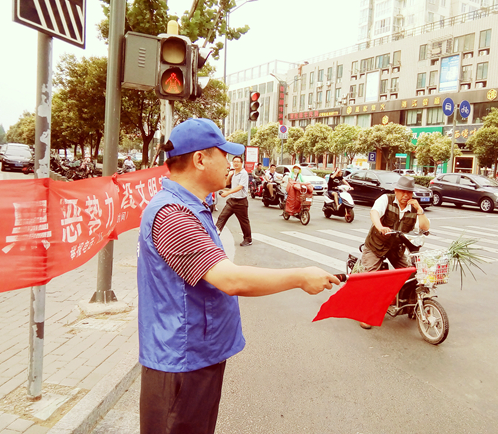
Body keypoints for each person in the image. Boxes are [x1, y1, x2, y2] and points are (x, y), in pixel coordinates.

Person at [137, 118, 338, 434]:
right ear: (200, 159)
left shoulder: (192, 206)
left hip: (196, 356)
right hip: (181, 364)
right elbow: (231, 280)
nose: (231, 163)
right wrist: (300, 277)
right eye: (224, 154)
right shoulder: (173, 215)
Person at [359, 175, 430, 329]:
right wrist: (380, 227)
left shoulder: (413, 207)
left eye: (409, 192)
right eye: (403, 191)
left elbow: (425, 227)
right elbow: (374, 213)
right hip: (376, 245)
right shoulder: (386, 199)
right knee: (371, 277)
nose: (406, 195)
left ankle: (411, 305)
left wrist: (420, 210)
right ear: (396, 190)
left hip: (396, 248)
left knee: (411, 274)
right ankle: (365, 313)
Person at [216, 155, 253, 246]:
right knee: (222, 217)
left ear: (241, 163)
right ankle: (215, 236)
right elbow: (227, 184)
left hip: (241, 202)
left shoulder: (244, 173)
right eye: (234, 162)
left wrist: (227, 193)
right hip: (232, 201)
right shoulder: (233, 173)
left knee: (243, 222)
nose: (236, 163)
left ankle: (248, 239)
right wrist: (229, 175)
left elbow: (240, 187)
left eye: (237, 162)